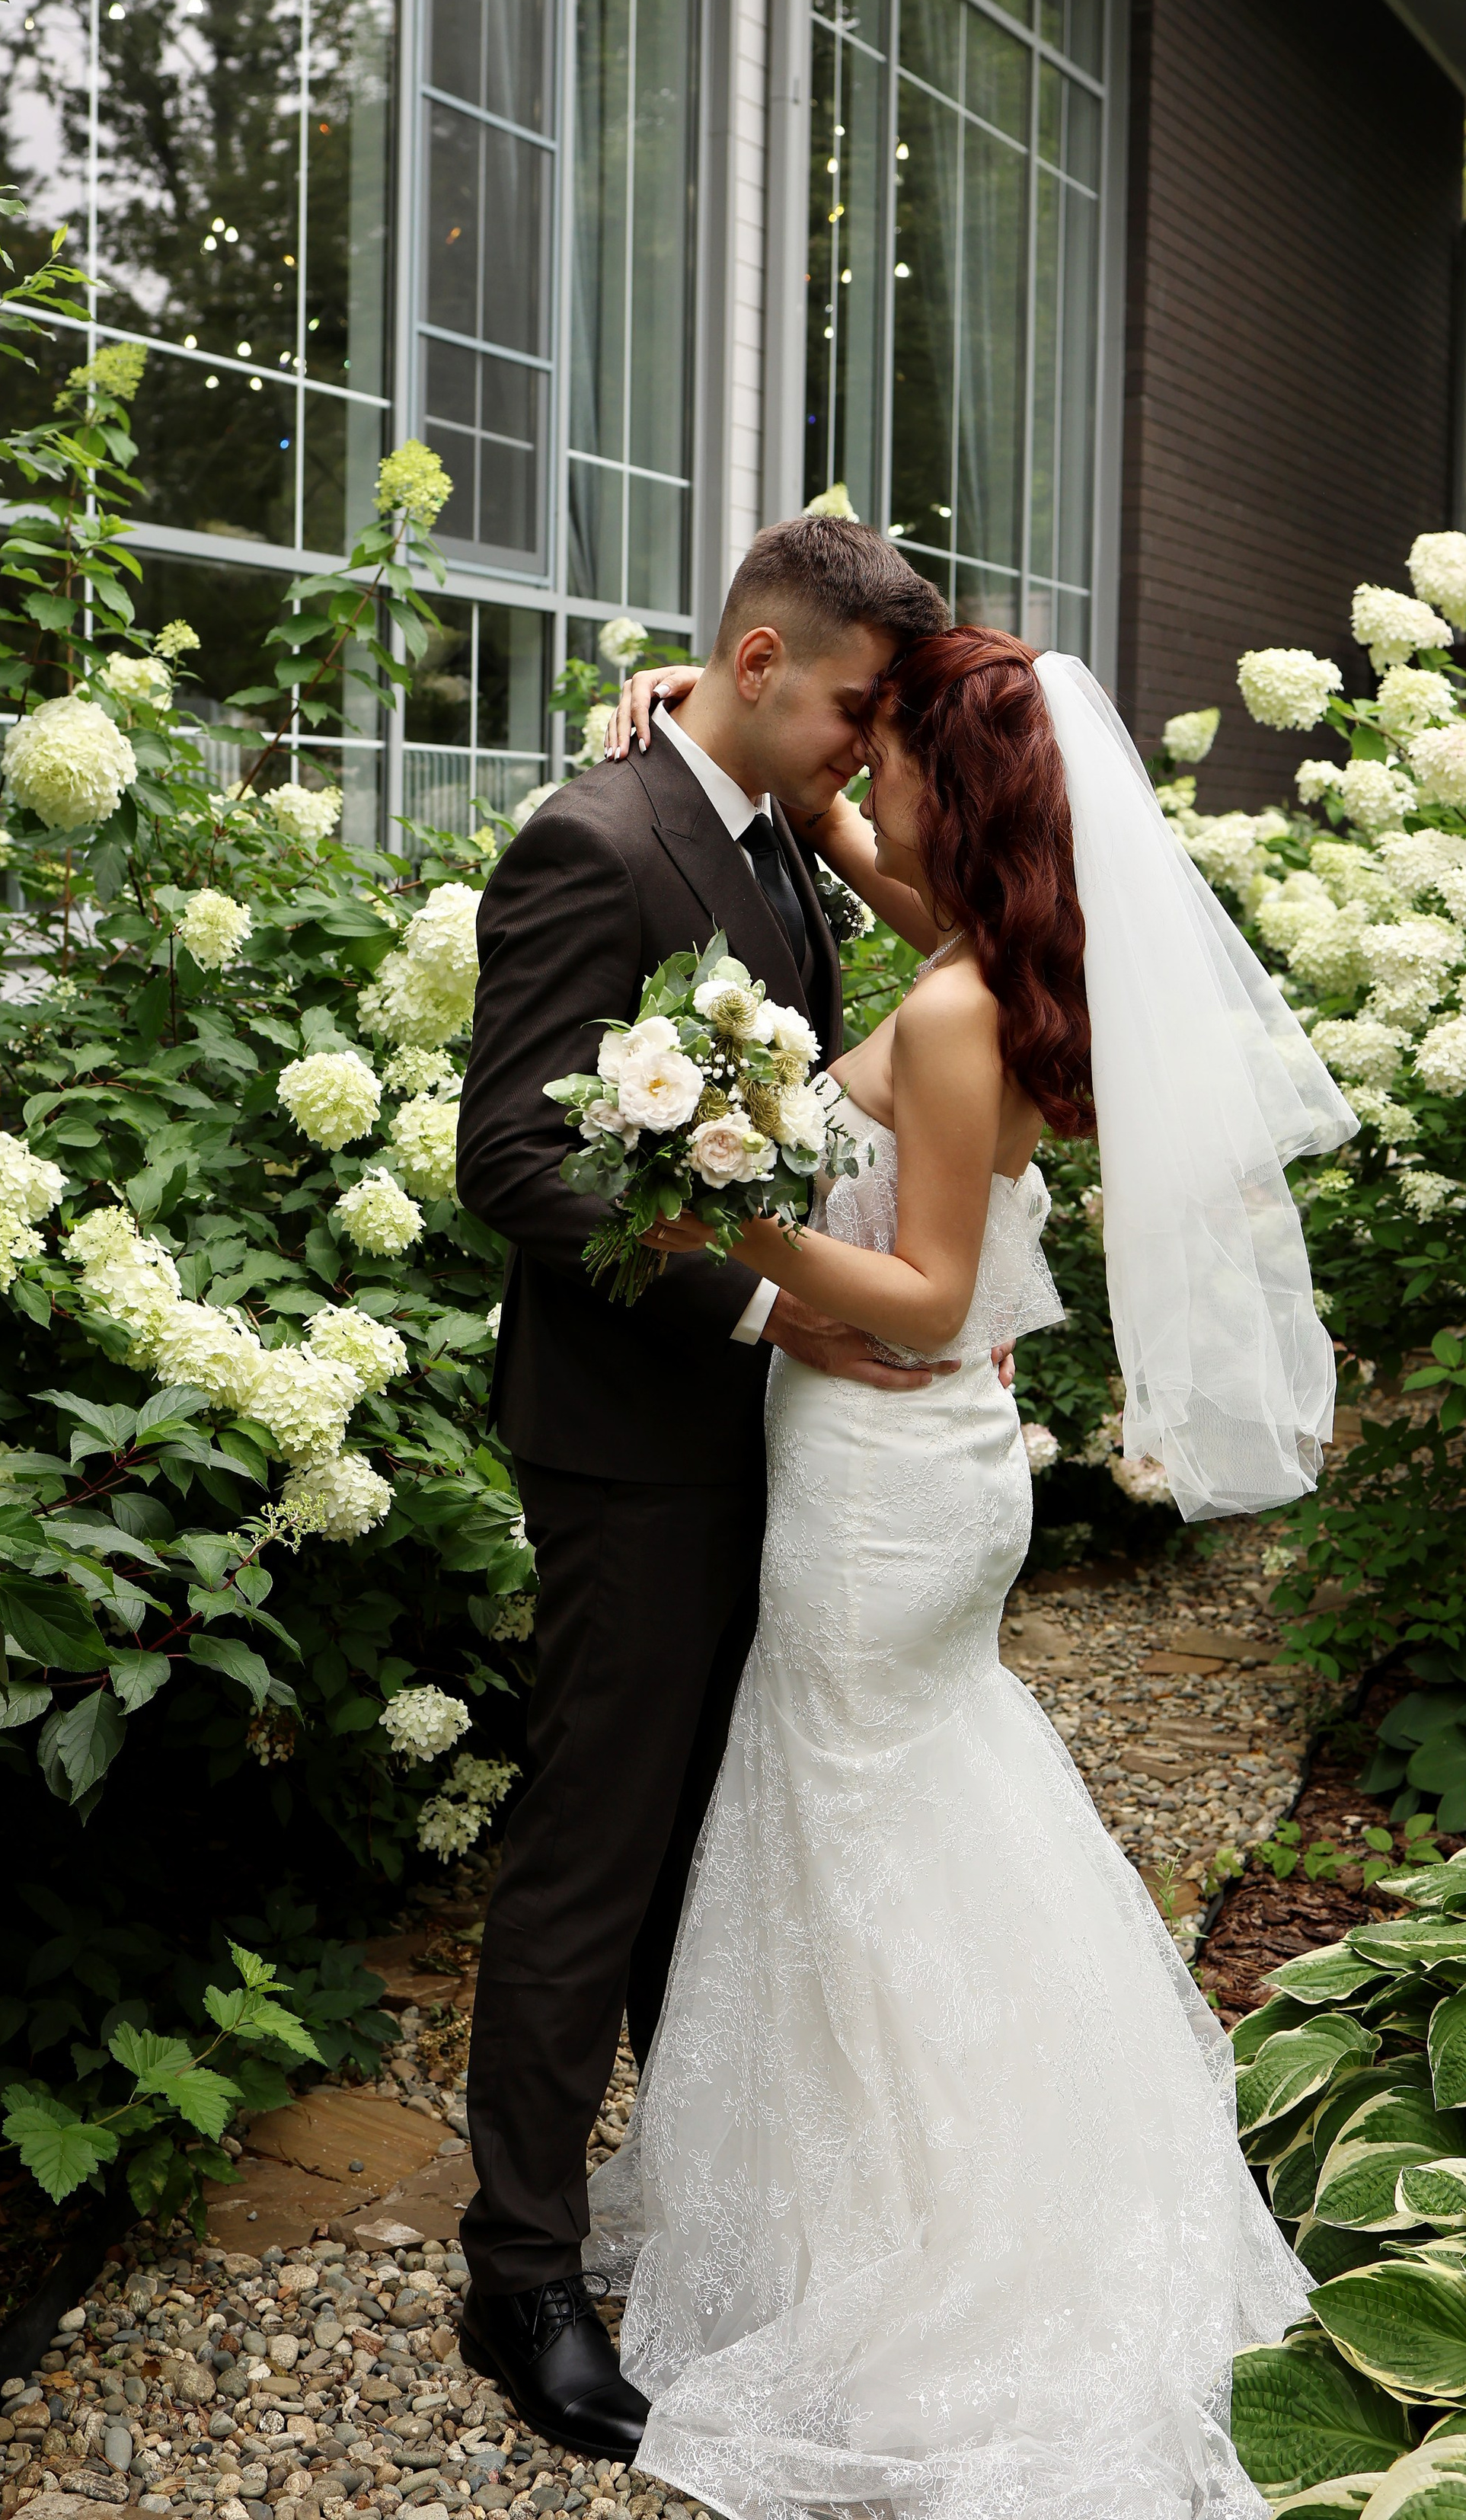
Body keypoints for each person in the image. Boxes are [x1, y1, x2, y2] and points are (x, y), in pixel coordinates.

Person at [582, 628, 1354, 2520]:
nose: (875, 771)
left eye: (899, 747)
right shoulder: (990, 950)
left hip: (877, 1471)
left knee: (855, 1833)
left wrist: (726, 1208)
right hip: (929, 1481)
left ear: (967, 791)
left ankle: (921, 2246)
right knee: (918, 1808)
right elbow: (860, 843)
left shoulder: (943, 1014)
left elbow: (925, 1300)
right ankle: (964, 2179)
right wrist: (693, 716)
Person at [452, 514, 957, 2457]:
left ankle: (695, 2201)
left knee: (709, 1847)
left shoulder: (759, 838)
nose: (859, 747)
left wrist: (827, 829)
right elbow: (512, 1156)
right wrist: (753, 1314)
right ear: (756, 663)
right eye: (844, 707)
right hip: (633, 1441)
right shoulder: (590, 843)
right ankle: (520, 2278)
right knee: (592, 1852)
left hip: (776, 1446)